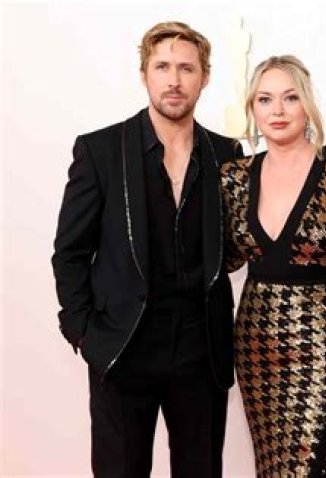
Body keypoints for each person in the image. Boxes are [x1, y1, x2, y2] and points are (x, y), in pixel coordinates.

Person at [51, 22, 239, 477]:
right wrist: (83, 331)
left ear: (204, 77)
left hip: (201, 350)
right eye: (162, 67)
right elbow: (70, 251)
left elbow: (265, 215)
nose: (174, 80)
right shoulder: (100, 150)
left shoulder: (227, 155)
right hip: (122, 345)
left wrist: (325, 155)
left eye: (186, 68)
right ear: (144, 74)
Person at [220, 55, 326, 476]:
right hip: (256, 344)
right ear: (252, 108)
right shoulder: (233, 177)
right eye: (265, 99)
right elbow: (227, 256)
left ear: (307, 104)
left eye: (290, 98)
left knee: (309, 467)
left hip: (325, 343)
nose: (278, 110)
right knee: (272, 469)